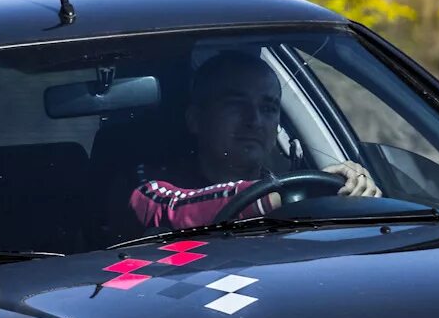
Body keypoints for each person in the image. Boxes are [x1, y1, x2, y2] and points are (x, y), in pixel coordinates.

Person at [129, 51, 379, 230]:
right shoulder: (150, 188)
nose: (255, 120)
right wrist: (291, 196)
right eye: (236, 105)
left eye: (268, 108)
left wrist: (355, 190)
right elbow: (172, 209)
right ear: (195, 120)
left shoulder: (299, 187)